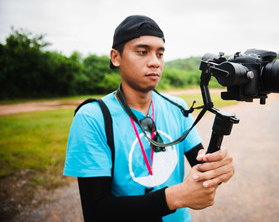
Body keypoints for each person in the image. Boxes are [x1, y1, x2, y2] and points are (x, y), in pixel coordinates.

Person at [63, 15, 234, 222]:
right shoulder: (92, 117)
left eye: (160, 54)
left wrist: (216, 168)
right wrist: (174, 198)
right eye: (142, 52)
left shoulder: (178, 107)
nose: (155, 62)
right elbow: (96, 211)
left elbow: (200, 163)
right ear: (116, 57)